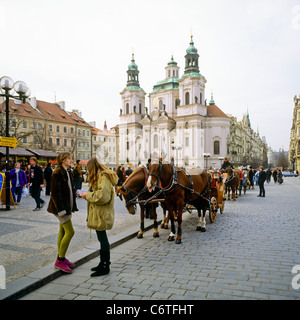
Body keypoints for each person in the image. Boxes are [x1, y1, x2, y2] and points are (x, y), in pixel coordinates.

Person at [79, 157, 118, 277]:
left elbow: (102, 197)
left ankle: (105, 266)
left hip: (102, 214)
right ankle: (103, 263)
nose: (87, 172)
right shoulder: (99, 176)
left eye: (88, 169)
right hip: (99, 214)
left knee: (103, 239)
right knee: (102, 238)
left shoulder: (103, 177)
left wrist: (87, 195)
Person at [47, 152, 78, 273]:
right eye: (69, 158)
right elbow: (55, 193)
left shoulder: (67, 171)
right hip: (60, 209)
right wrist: (61, 210)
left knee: (63, 231)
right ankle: (59, 261)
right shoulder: (57, 172)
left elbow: (70, 190)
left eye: (71, 158)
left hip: (67, 206)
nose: (71, 160)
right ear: (63, 160)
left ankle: (62, 257)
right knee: (70, 232)